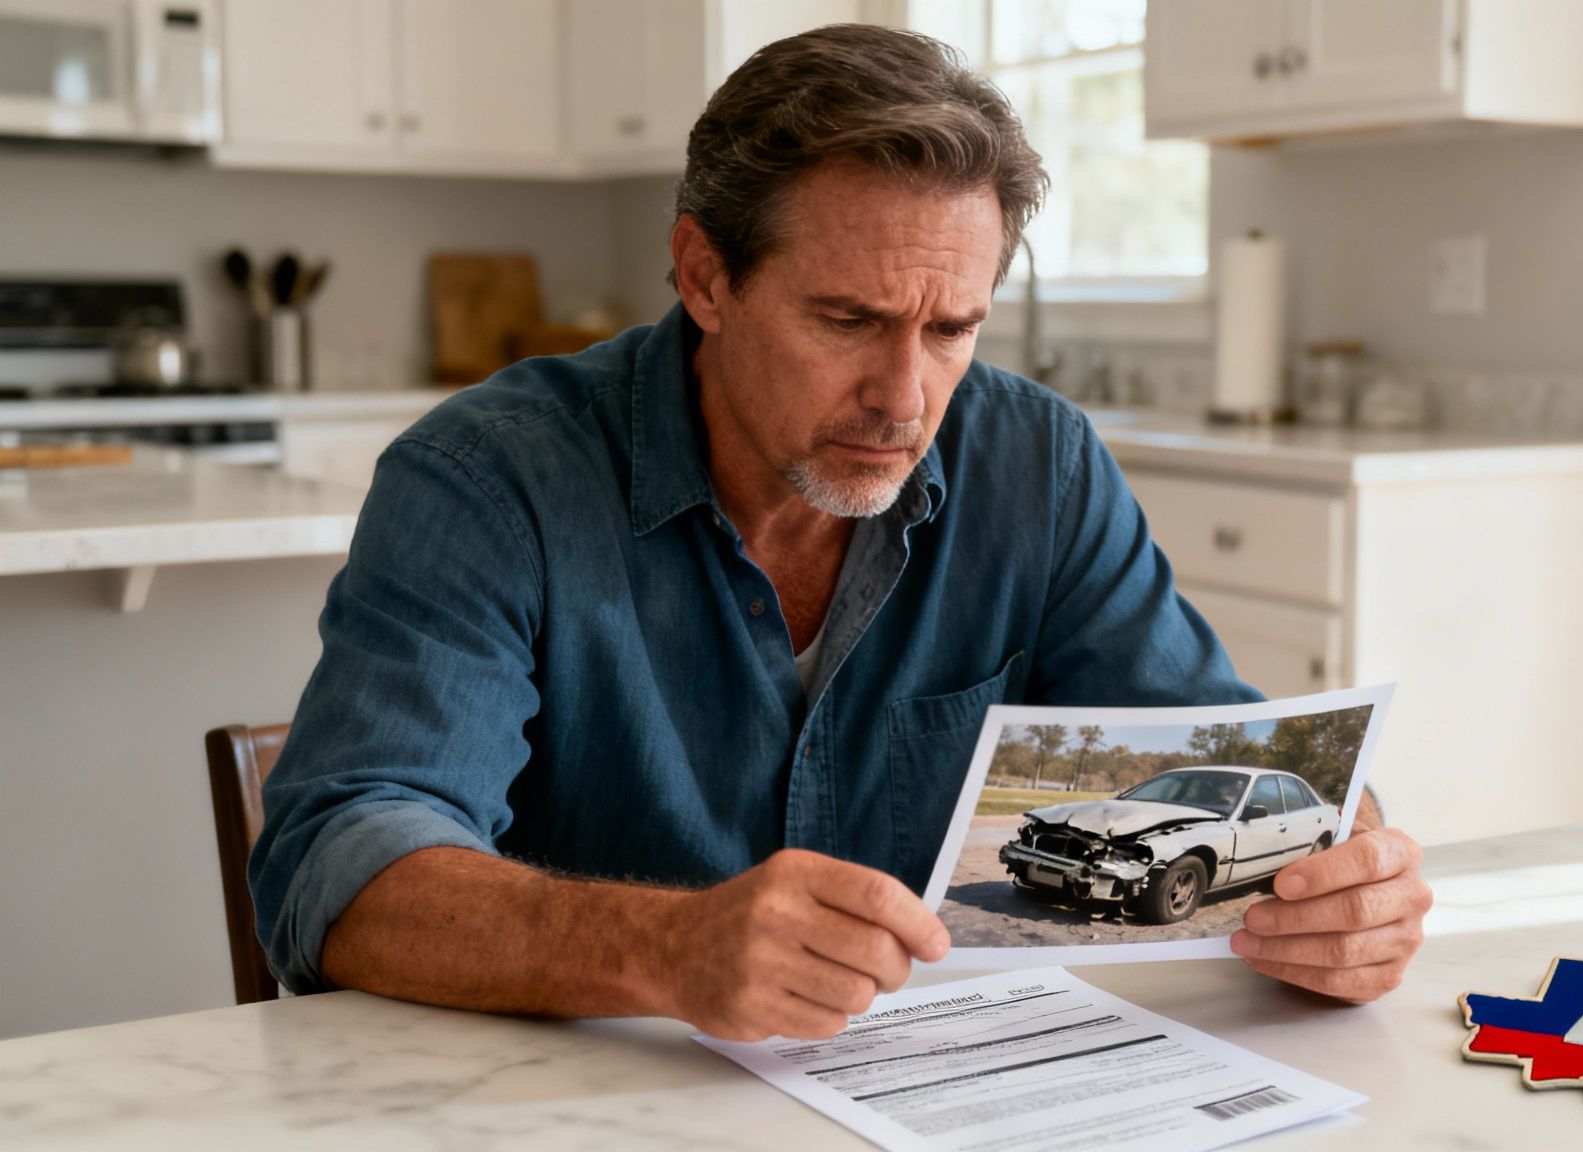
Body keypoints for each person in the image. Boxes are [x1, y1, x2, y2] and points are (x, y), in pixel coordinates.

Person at [250, 24, 1430, 1043]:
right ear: (703, 278)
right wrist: (665, 947)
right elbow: (336, 868)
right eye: (848, 320)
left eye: (951, 328)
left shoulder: (1041, 467)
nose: (905, 397)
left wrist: (1341, 880)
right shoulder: (487, 477)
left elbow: (1216, 746)